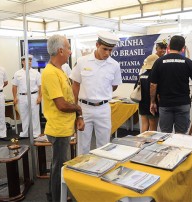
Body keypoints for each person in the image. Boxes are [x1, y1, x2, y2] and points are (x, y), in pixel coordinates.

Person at [42, 34, 84, 202]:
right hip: (58, 130)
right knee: (59, 167)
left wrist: (77, 115)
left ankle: (54, 196)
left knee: (57, 166)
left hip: (63, 127)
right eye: (67, 48)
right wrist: (79, 108)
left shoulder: (59, 71)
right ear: (60, 50)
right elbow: (62, 104)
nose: (69, 51)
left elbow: (67, 99)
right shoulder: (51, 73)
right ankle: (57, 198)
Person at [70, 30, 122, 155]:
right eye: (105, 49)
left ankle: (101, 169)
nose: (107, 53)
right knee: (83, 145)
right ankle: (81, 170)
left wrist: (102, 92)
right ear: (97, 45)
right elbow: (75, 86)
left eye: (111, 50)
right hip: (85, 108)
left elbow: (114, 86)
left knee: (104, 145)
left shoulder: (114, 65)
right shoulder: (82, 61)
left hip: (103, 108)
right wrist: (77, 111)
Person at [150, 35, 192, 134]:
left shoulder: (159, 62)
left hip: (165, 103)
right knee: (181, 135)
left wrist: (152, 102)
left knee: (165, 134)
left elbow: (153, 85)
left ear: (169, 46)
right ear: (183, 48)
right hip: (183, 103)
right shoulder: (187, 62)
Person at [136, 40, 168, 132]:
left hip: (142, 103)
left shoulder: (141, 75)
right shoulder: (156, 76)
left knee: (144, 126)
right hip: (152, 103)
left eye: (164, 48)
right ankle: (150, 145)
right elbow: (157, 90)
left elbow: (136, 88)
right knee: (153, 129)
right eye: (161, 48)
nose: (163, 50)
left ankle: (141, 144)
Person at [12, 54, 42, 139]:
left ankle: (36, 134)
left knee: (35, 115)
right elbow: (14, 86)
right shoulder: (17, 73)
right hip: (22, 97)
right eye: (26, 60)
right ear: (22, 62)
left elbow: (40, 86)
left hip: (33, 96)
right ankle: (24, 133)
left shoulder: (36, 73)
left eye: (30, 60)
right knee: (24, 115)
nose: (28, 62)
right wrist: (15, 97)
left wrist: (40, 97)